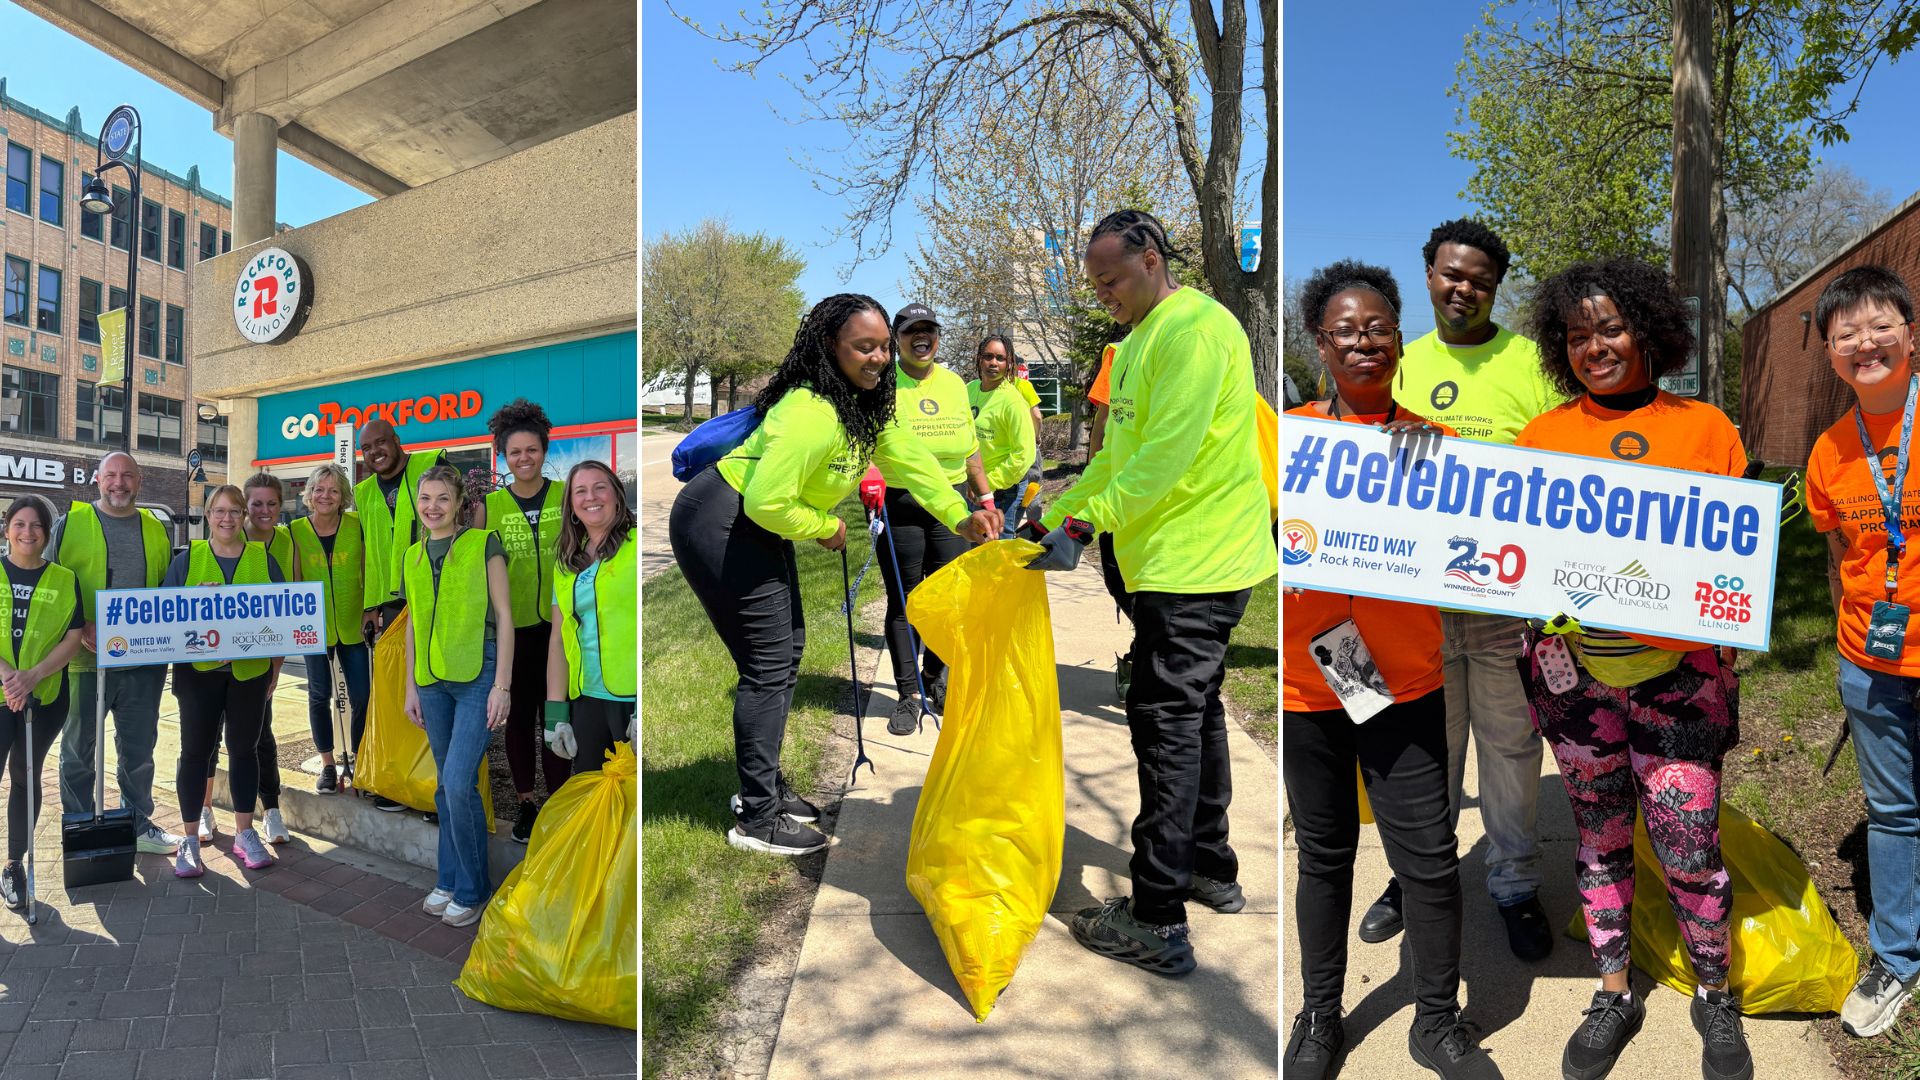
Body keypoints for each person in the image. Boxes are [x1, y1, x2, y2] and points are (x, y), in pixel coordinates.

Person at [1516, 258, 1750, 1080]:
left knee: (1690, 846)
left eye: (1610, 328)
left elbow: (1737, 566)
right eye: (1577, 336)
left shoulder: (1707, 429)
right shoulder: (1541, 438)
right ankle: (1612, 990)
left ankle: (1715, 995)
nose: (1595, 347)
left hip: (1677, 679)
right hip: (1578, 684)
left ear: (1647, 329)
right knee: (1600, 840)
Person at [1025, 209, 1274, 978]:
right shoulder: (1133, 344)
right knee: (1192, 716)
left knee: (1164, 726)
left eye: (1111, 280)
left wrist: (1085, 524)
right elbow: (1118, 455)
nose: (1103, 294)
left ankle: (1158, 916)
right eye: (1095, 283)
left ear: (1153, 260)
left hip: (1196, 566)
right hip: (1165, 564)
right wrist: (1062, 512)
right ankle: (1210, 866)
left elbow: (1163, 459)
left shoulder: (1194, 331)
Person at [668, 293, 999, 857]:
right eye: (861, 347)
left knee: (786, 651)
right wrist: (824, 526)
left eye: (880, 347)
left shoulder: (863, 406)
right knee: (767, 663)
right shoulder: (810, 411)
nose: (876, 358)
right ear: (830, 347)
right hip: (722, 520)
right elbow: (768, 502)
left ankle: (764, 787)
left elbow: (915, 466)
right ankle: (757, 817)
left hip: (754, 522)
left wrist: (962, 516)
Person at [1281, 261, 1493, 1080]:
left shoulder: (1438, 448)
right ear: (1320, 343)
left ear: (1399, 339)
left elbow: (1490, 551)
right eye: (1346, 330)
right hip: (1316, 682)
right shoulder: (1292, 437)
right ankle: (1320, 1017)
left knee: (1429, 862)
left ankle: (1436, 1024)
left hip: (1404, 683)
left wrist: (1441, 473)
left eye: (1377, 328)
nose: (1363, 341)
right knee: (1326, 857)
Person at [1366, 218, 1563, 959]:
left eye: (1479, 279)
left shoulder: (1533, 364)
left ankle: (1512, 882)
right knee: (1425, 751)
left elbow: (1565, 471)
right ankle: (1415, 876)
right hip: (1414, 607)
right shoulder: (1397, 363)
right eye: (1452, 274)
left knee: (1511, 749)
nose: (1464, 289)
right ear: (1427, 275)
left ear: (1495, 287)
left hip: (1503, 603)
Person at [1803, 265, 1920, 1041]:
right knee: (1893, 812)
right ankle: (1900, 957)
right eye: (1846, 335)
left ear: (1911, 335)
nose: (1864, 342)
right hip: (1870, 660)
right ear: (1832, 355)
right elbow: (1839, 550)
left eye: (1880, 326)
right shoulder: (1827, 453)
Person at [49, 451, 181, 855]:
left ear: (140, 482)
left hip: (143, 663)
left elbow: (166, 589)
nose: (118, 483)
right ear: (97, 480)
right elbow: (49, 587)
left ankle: (138, 826)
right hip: (85, 662)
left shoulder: (157, 529)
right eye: (111, 475)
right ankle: (78, 825)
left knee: (138, 752)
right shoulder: (70, 524)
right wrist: (79, 622)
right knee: (77, 750)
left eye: (127, 476)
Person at [401, 465, 514, 927]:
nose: (433, 507)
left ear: (459, 502)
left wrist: (502, 685)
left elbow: (505, 617)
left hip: (477, 675)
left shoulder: (481, 543)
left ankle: (473, 889)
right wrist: (410, 684)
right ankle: (448, 879)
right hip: (431, 682)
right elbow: (411, 622)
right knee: (449, 787)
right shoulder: (411, 555)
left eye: (442, 498)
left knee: (456, 781)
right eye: (426, 498)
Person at [875, 303, 995, 736]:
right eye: (912, 331)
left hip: (951, 509)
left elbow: (970, 449)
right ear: (897, 338)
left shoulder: (954, 385)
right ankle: (908, 695)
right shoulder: (883, 383)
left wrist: (985, 497)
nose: (921, 338)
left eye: (929, 330)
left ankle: (934, 681)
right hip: (900, 503)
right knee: (906, 602)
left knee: (947, 600)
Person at [164, 485, 288, 877]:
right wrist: (191, 603)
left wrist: (274, 667)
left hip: (248, 674)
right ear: (208, 515)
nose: (227, 518)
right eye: (219, 511)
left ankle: (244, 833)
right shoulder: (188, 559)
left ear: (244, 516)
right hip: (198, 675)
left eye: (235, 511)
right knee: (195, 753)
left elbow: (284, 616)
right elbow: (165, 614)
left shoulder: (262, 559)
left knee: (244, 749)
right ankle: (188, 839)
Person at [476, 399, 570, 843]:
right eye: (515, 452)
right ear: (504, 456)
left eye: (531, 450)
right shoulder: (489, 507)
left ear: (543, 450)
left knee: (555, 717)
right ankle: (528, 803)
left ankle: (560, 802)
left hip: (560, 629)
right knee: (516, 721)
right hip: (512, 634)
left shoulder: (564, 495)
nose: (524, 459)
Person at [354, 418, 447, 813]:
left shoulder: (432, 466)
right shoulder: (363, 493)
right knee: (396, 697)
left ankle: (433, 788)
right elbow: (372, 552)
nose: (375, 451)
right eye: (367, 447)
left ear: (396, 440)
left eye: (381, 442)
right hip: (390, 606)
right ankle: (396, 783)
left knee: (436, 692)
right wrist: (370, 606)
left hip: (437, 597)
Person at [198, 473, 294, 846]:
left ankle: (270, 809)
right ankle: (204, 809)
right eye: (255, 503)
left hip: (253, 669)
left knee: (258, 738)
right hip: (209, 669)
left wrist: (275, 667)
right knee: (206, 739)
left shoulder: (283, 545)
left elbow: (290, 608)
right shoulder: (202, 553)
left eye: (271, 503)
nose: (263, 510)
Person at [0, 496, 83, 910]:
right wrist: (8, 678)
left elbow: (73, 638)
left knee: (25, 777)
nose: (27, 532)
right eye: (19, 523)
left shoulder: (64, 579)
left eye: (36, 525)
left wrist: (33, 677)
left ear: (47, 534)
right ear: (6, 528)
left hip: (45, 697)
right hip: (1, 693)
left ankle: (14, 864)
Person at [543, 460, 635, 774]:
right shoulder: (567, 563)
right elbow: (559, 637)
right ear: (571, 505)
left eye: (600, 487)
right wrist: (555, 714)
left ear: (617, 496)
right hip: (586, 701)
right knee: (591, 800)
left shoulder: (634, 547)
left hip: (631, 700)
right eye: (580, 491)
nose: (590, 497)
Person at [289, 464, 371, 795]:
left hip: (353, 624)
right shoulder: (295, 530)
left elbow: (369, 570)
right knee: (319, 695)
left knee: (363, 695)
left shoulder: (356, 526)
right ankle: (327, 764)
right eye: (319, 490)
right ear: (309, 494)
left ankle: (363, 763)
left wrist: (371, 609)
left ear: (343, 497)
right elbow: (294, 578)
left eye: (333, 490)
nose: (326, 496)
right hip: (314, 627)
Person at [1086, 340, 1135, 699]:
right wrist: (1093, 481)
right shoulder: (1118, 354)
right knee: (1118, 580)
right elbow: (1103, 420)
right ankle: (1144, 651)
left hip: (1165, 498)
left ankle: (1141, 659)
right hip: (1116, 489)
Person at [967, 334, 1038, 538]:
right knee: (975, 548)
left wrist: (988, 484)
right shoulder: (969, 390)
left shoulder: (1012, 401)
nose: (993, 363)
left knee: (998, 549)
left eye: (1000, 358)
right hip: (973, 487)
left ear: (1009, 364)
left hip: (1004, 491)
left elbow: (1023, 455)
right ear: (979, 358)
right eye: (988, 356)